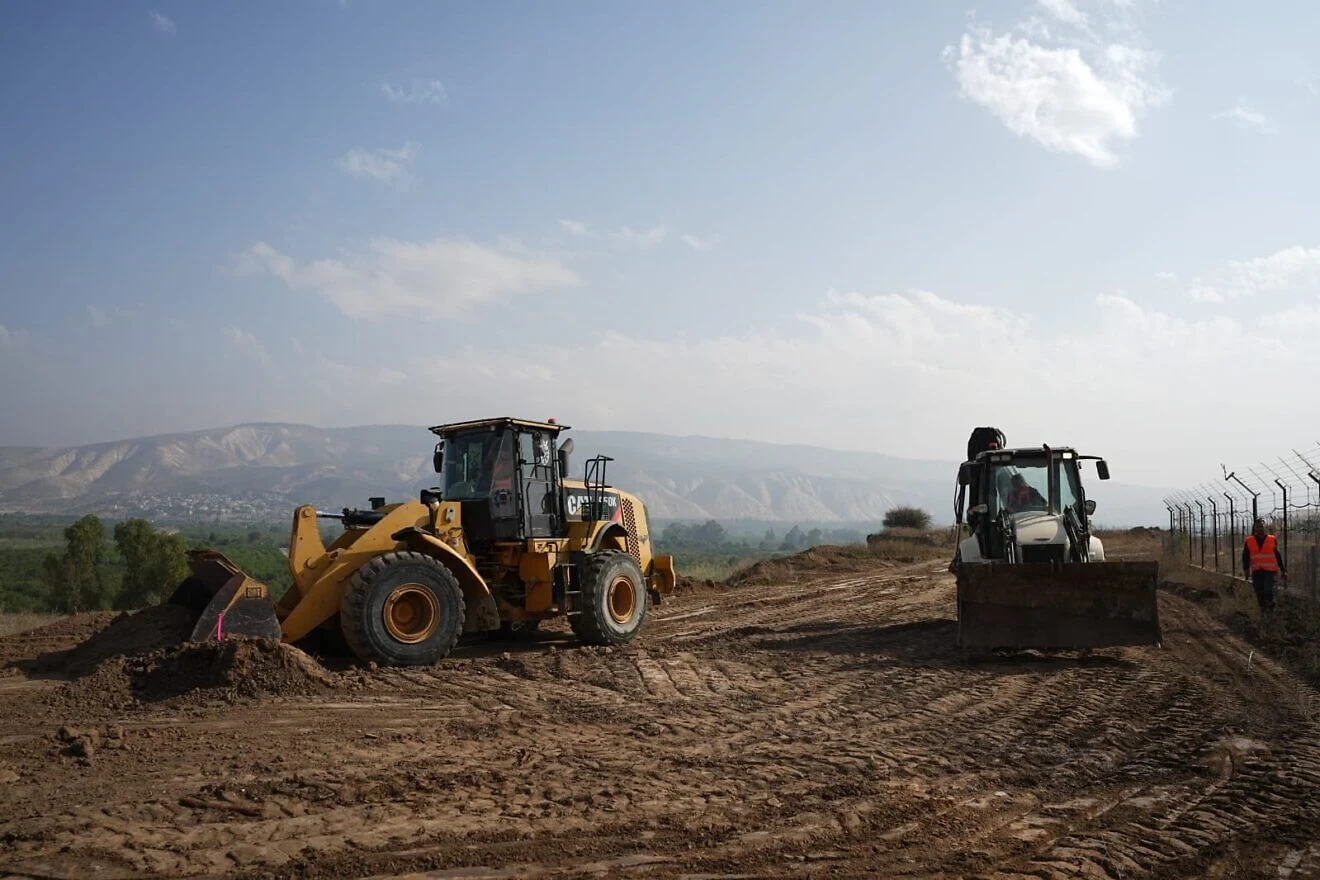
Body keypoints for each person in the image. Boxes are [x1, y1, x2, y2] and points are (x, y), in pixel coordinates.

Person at [1242, 518, 1285, 612]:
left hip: (1270, 571)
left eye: (1261, 526)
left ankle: (1271, 609)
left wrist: (1282, 569)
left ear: (1265, 527)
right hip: (1257, 571)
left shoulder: (1271, 539)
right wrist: (1246, 570)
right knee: (1259, 593)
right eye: (1257, 526)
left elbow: (1277, 555)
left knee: (1268, 591)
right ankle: (1264, 613)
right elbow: (1245, 556)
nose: (1259, 528)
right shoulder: (1249, 540)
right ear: (1254, 528)